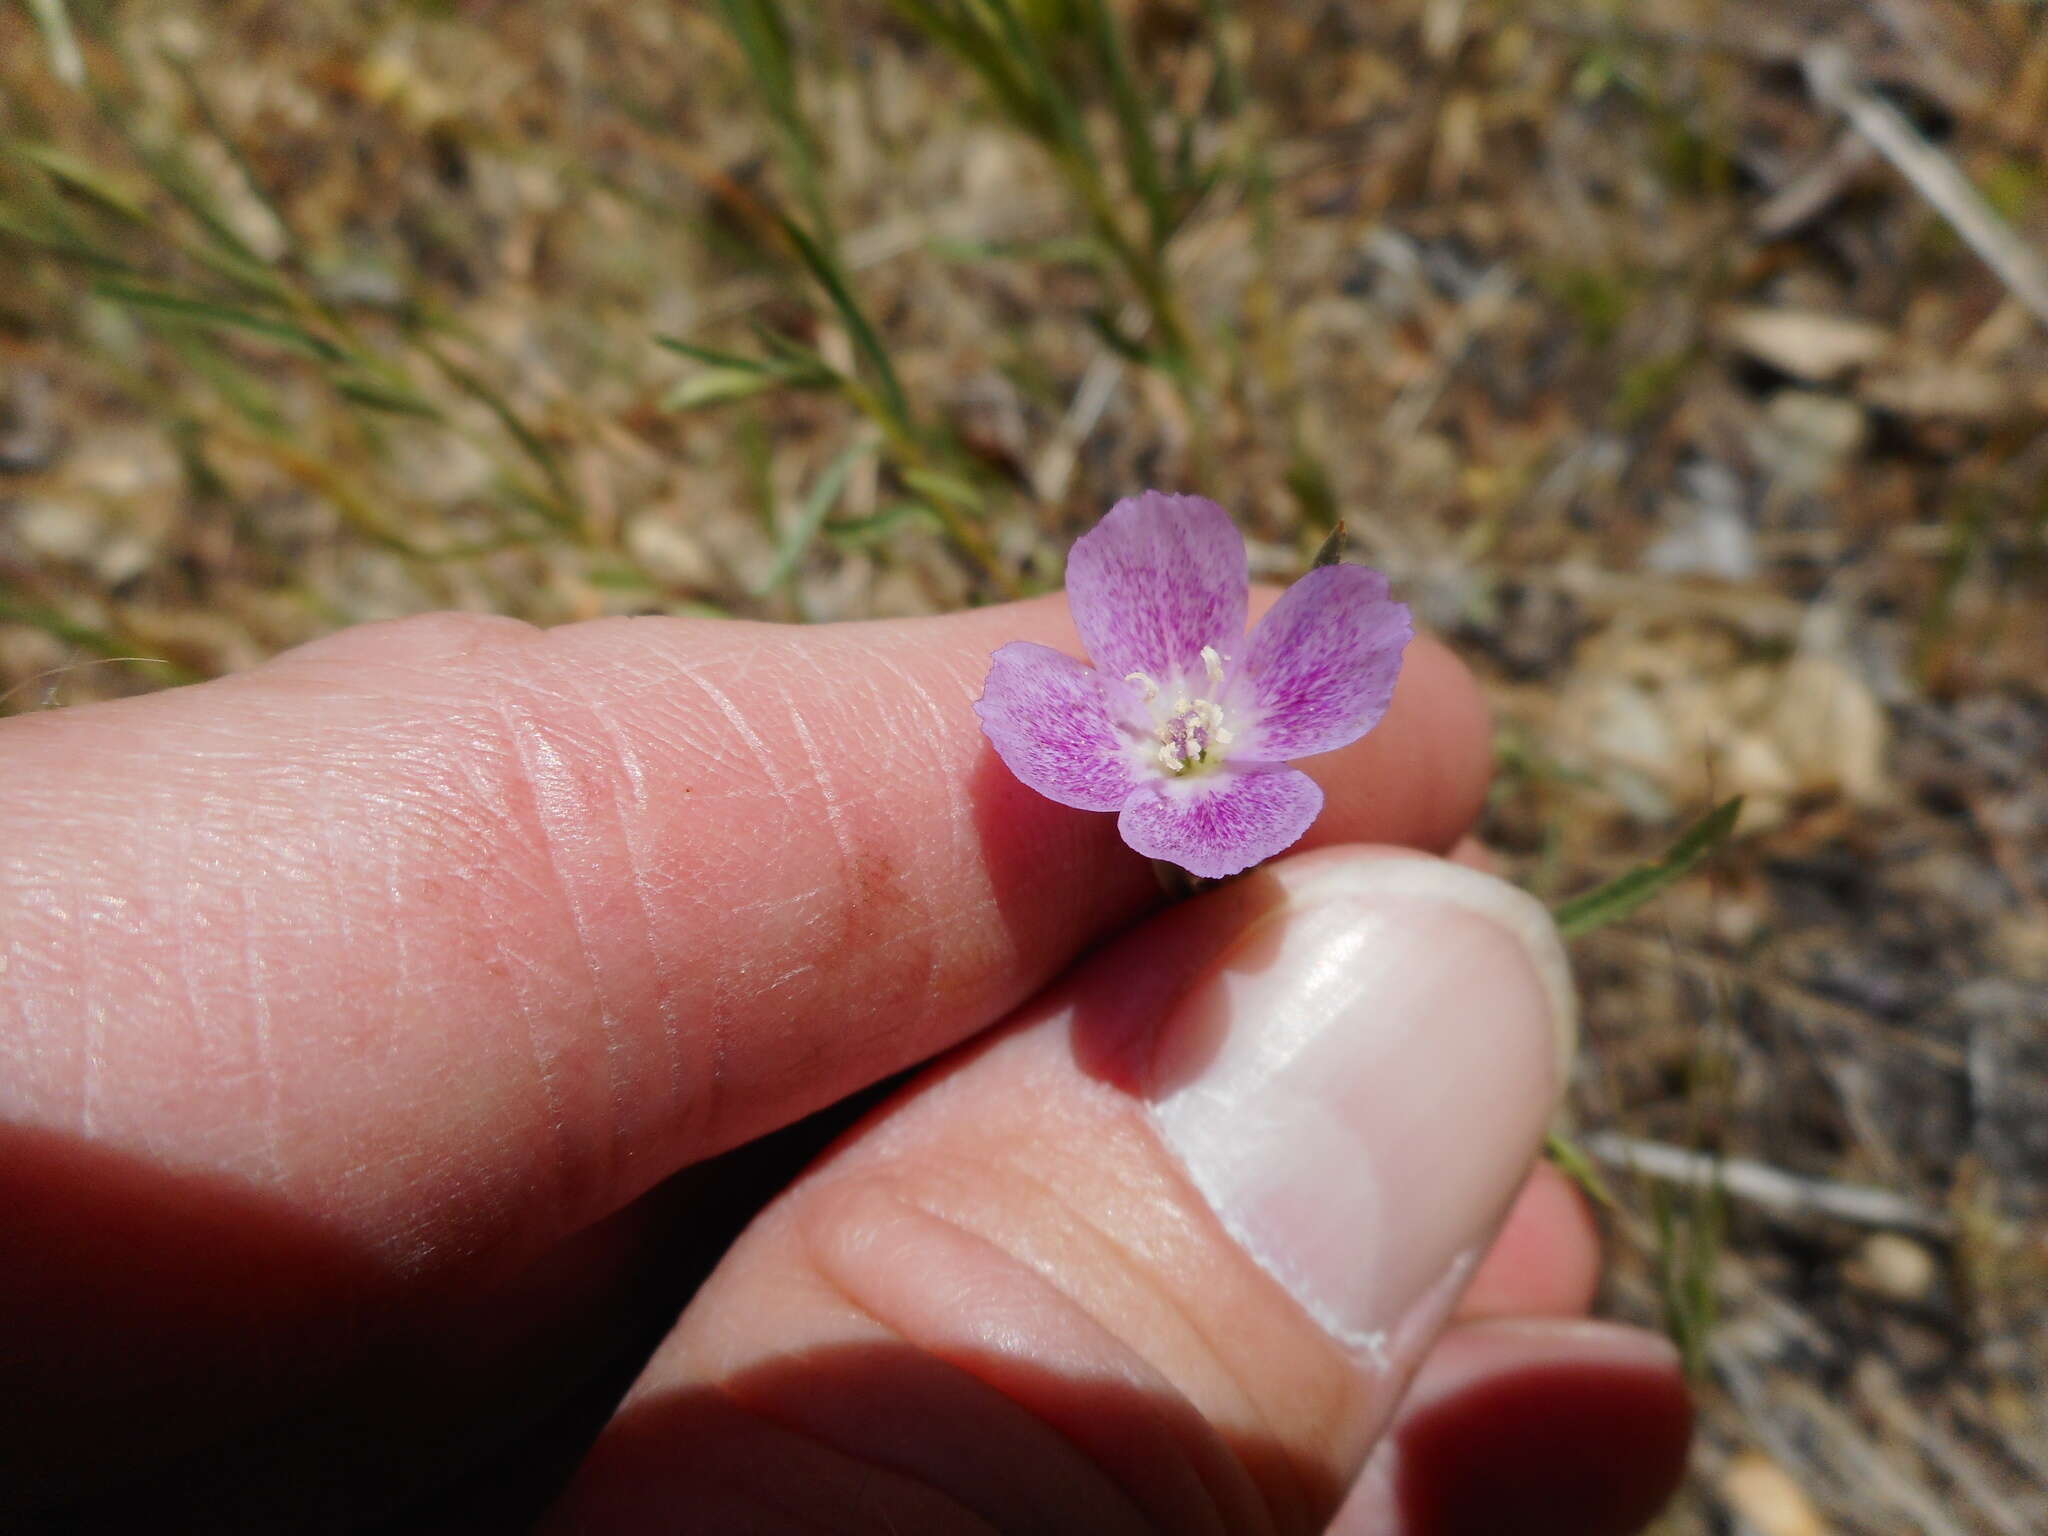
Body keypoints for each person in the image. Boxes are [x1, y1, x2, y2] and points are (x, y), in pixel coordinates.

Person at [0, 593, 1691, 1533]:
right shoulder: (1097, 745)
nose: (1189, 730)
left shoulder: (1252, 775)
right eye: (1178, 717)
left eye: (1204, 723)